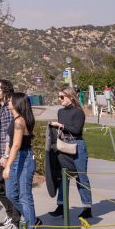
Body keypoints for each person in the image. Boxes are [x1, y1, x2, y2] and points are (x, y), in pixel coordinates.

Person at [47, 85, 93, 220]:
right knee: (63, 177)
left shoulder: (78, 112)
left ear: (70, 97)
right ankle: (61, 206)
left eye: (62, 97)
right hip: (63, 145)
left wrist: (60, 125)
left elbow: (77, 130)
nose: (60, 99)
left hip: (77, 145)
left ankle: (87, 208)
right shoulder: (61, 112)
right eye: (59, 97)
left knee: (81, 177)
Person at [3, 92, 42, 229]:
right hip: (17, 158)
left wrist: (8, 166)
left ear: (17, 103)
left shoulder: (20, 122)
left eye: (10, 100)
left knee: (25, 196)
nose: (8, 102)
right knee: (11, 193)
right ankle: (33, 219)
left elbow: (17, 145)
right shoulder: (15, 119)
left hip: (24, 159)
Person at [0, 79, 22, 229]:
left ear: (5, 92)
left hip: (7, 155)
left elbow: (12, 134)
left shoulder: (10, 108)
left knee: (11, 190)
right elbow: (3, 131)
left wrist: (6, 155)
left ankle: (16, 220)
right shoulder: (2, 106)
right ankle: (11, 214)